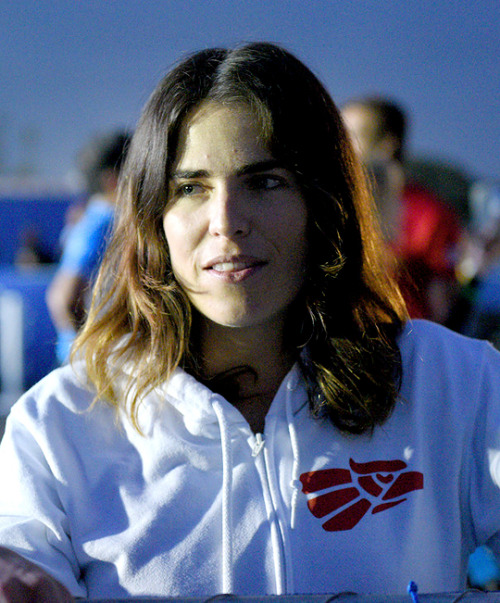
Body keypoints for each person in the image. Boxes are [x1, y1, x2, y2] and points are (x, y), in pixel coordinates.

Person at [0, 42, 500, 601]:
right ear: (151, 217)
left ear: (322, 203)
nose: (227, 222)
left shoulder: (457, 384)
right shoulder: (58, 426)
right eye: (190, 188)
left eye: (264, 182)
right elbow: (21, 557)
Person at [341, 97, 464, 324]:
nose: (340, 147)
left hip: (401, 344)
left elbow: (442, 299)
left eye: (351, 137)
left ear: (387, 145)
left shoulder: (431, 213)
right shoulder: (331, 202)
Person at [46, 131, 130, 364]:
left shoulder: (91, 218)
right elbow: (63, 298)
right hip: (93, 369)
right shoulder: (103, 223)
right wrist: (98, 353)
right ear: (112, 180)